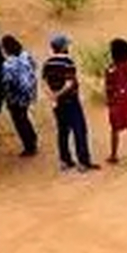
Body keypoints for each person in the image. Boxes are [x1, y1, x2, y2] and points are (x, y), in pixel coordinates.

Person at [43, 33, 96, 172]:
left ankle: (65, 161)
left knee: (62, 131)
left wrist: (53, 96)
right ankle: (83, 162)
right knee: (79, 129)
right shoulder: (68, 62)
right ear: (63, 47)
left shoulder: (48, 63)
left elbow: (44, 82)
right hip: (70, 100)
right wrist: (58, 94)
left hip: (57, 103)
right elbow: (69, 83)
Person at [0, 34, 40, 157]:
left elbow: (7, 81)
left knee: (19, 120)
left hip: (16, 97)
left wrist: (5, 94)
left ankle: (30, 147)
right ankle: (32, 138)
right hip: (29, 93)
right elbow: (34, 67)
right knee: (24, 116)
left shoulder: (8, 64)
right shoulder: (26, 56)